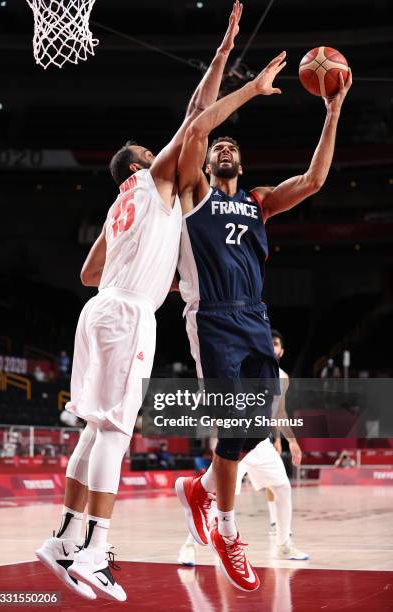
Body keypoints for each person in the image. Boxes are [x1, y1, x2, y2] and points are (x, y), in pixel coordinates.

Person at [35, 2, 243, 602]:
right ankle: (96, 551)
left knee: (91, 432)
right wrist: (235, 66)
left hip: (100, 306)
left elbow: (88, 269)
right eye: (156, 154)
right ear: (141, 164)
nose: (168, 156)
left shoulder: (118, 205)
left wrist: (151, 271)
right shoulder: (156, 179)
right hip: (128, 316)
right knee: (114, 436)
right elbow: (197, 116)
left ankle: (63, 539)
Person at [174, 54, 352, 592]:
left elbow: (316, 179)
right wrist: (238, 76)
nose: (224, 149)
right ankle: (226, 529)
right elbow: (195, 126)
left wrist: (333, 109)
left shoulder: (259, 202)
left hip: (255, 319)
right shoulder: (192, 195)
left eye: (234, 149)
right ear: (207, 163)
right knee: (233, 427)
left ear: (242, 166)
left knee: (252, 433)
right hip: (213, 319)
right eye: (218, 148)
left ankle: (201, 489)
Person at [236, 329, 308, 560]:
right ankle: (190, 543)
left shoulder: (283, 377)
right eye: (269, 342)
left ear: (281, 350)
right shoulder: (248, 365)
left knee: (283, 487)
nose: (272, 346)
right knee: (215, 494)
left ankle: (284, 544)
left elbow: (279, 412)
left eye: (276, 343)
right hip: (235, 440)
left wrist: (292, 442)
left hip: (260, 442)